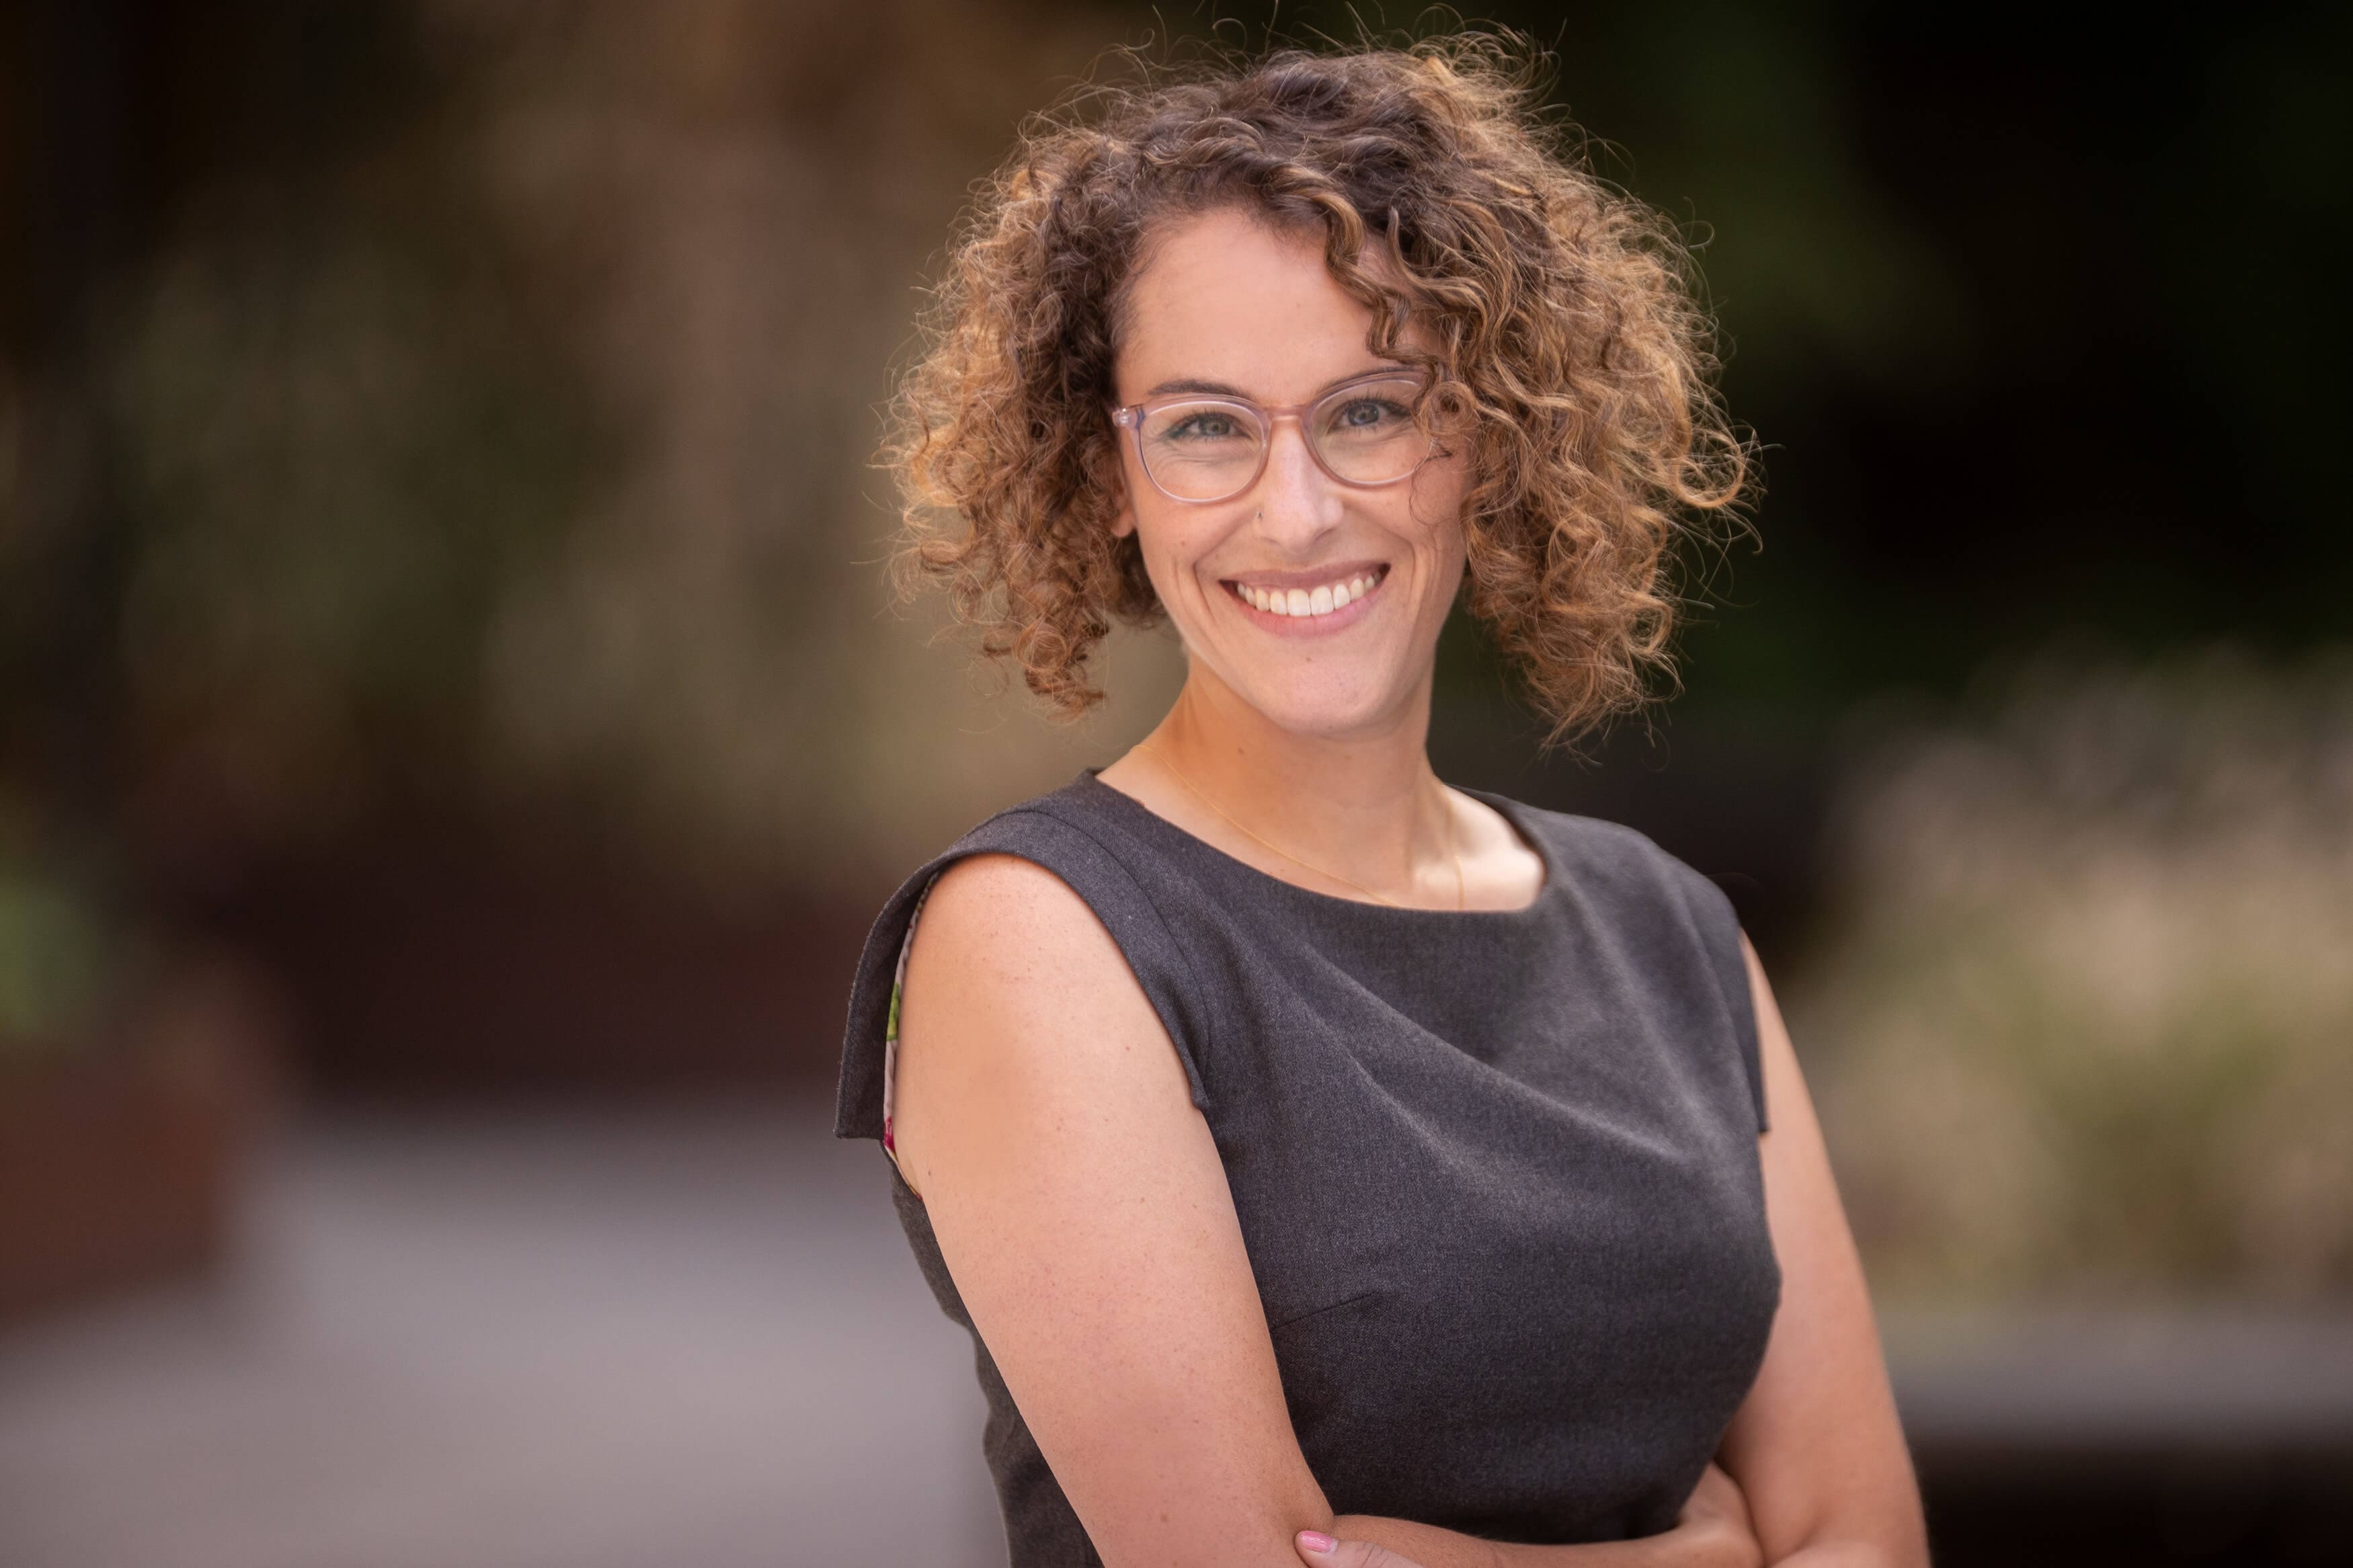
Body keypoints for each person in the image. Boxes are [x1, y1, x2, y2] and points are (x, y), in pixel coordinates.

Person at [835, 36, 1929, 1568]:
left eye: (1369, 409)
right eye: (1208, 425)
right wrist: (1700, 1558)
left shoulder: (1667, 931)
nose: (1296, 510)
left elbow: (1872, 1545)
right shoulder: (1041, 944)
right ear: (1109, 477)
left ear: (1485, 435)